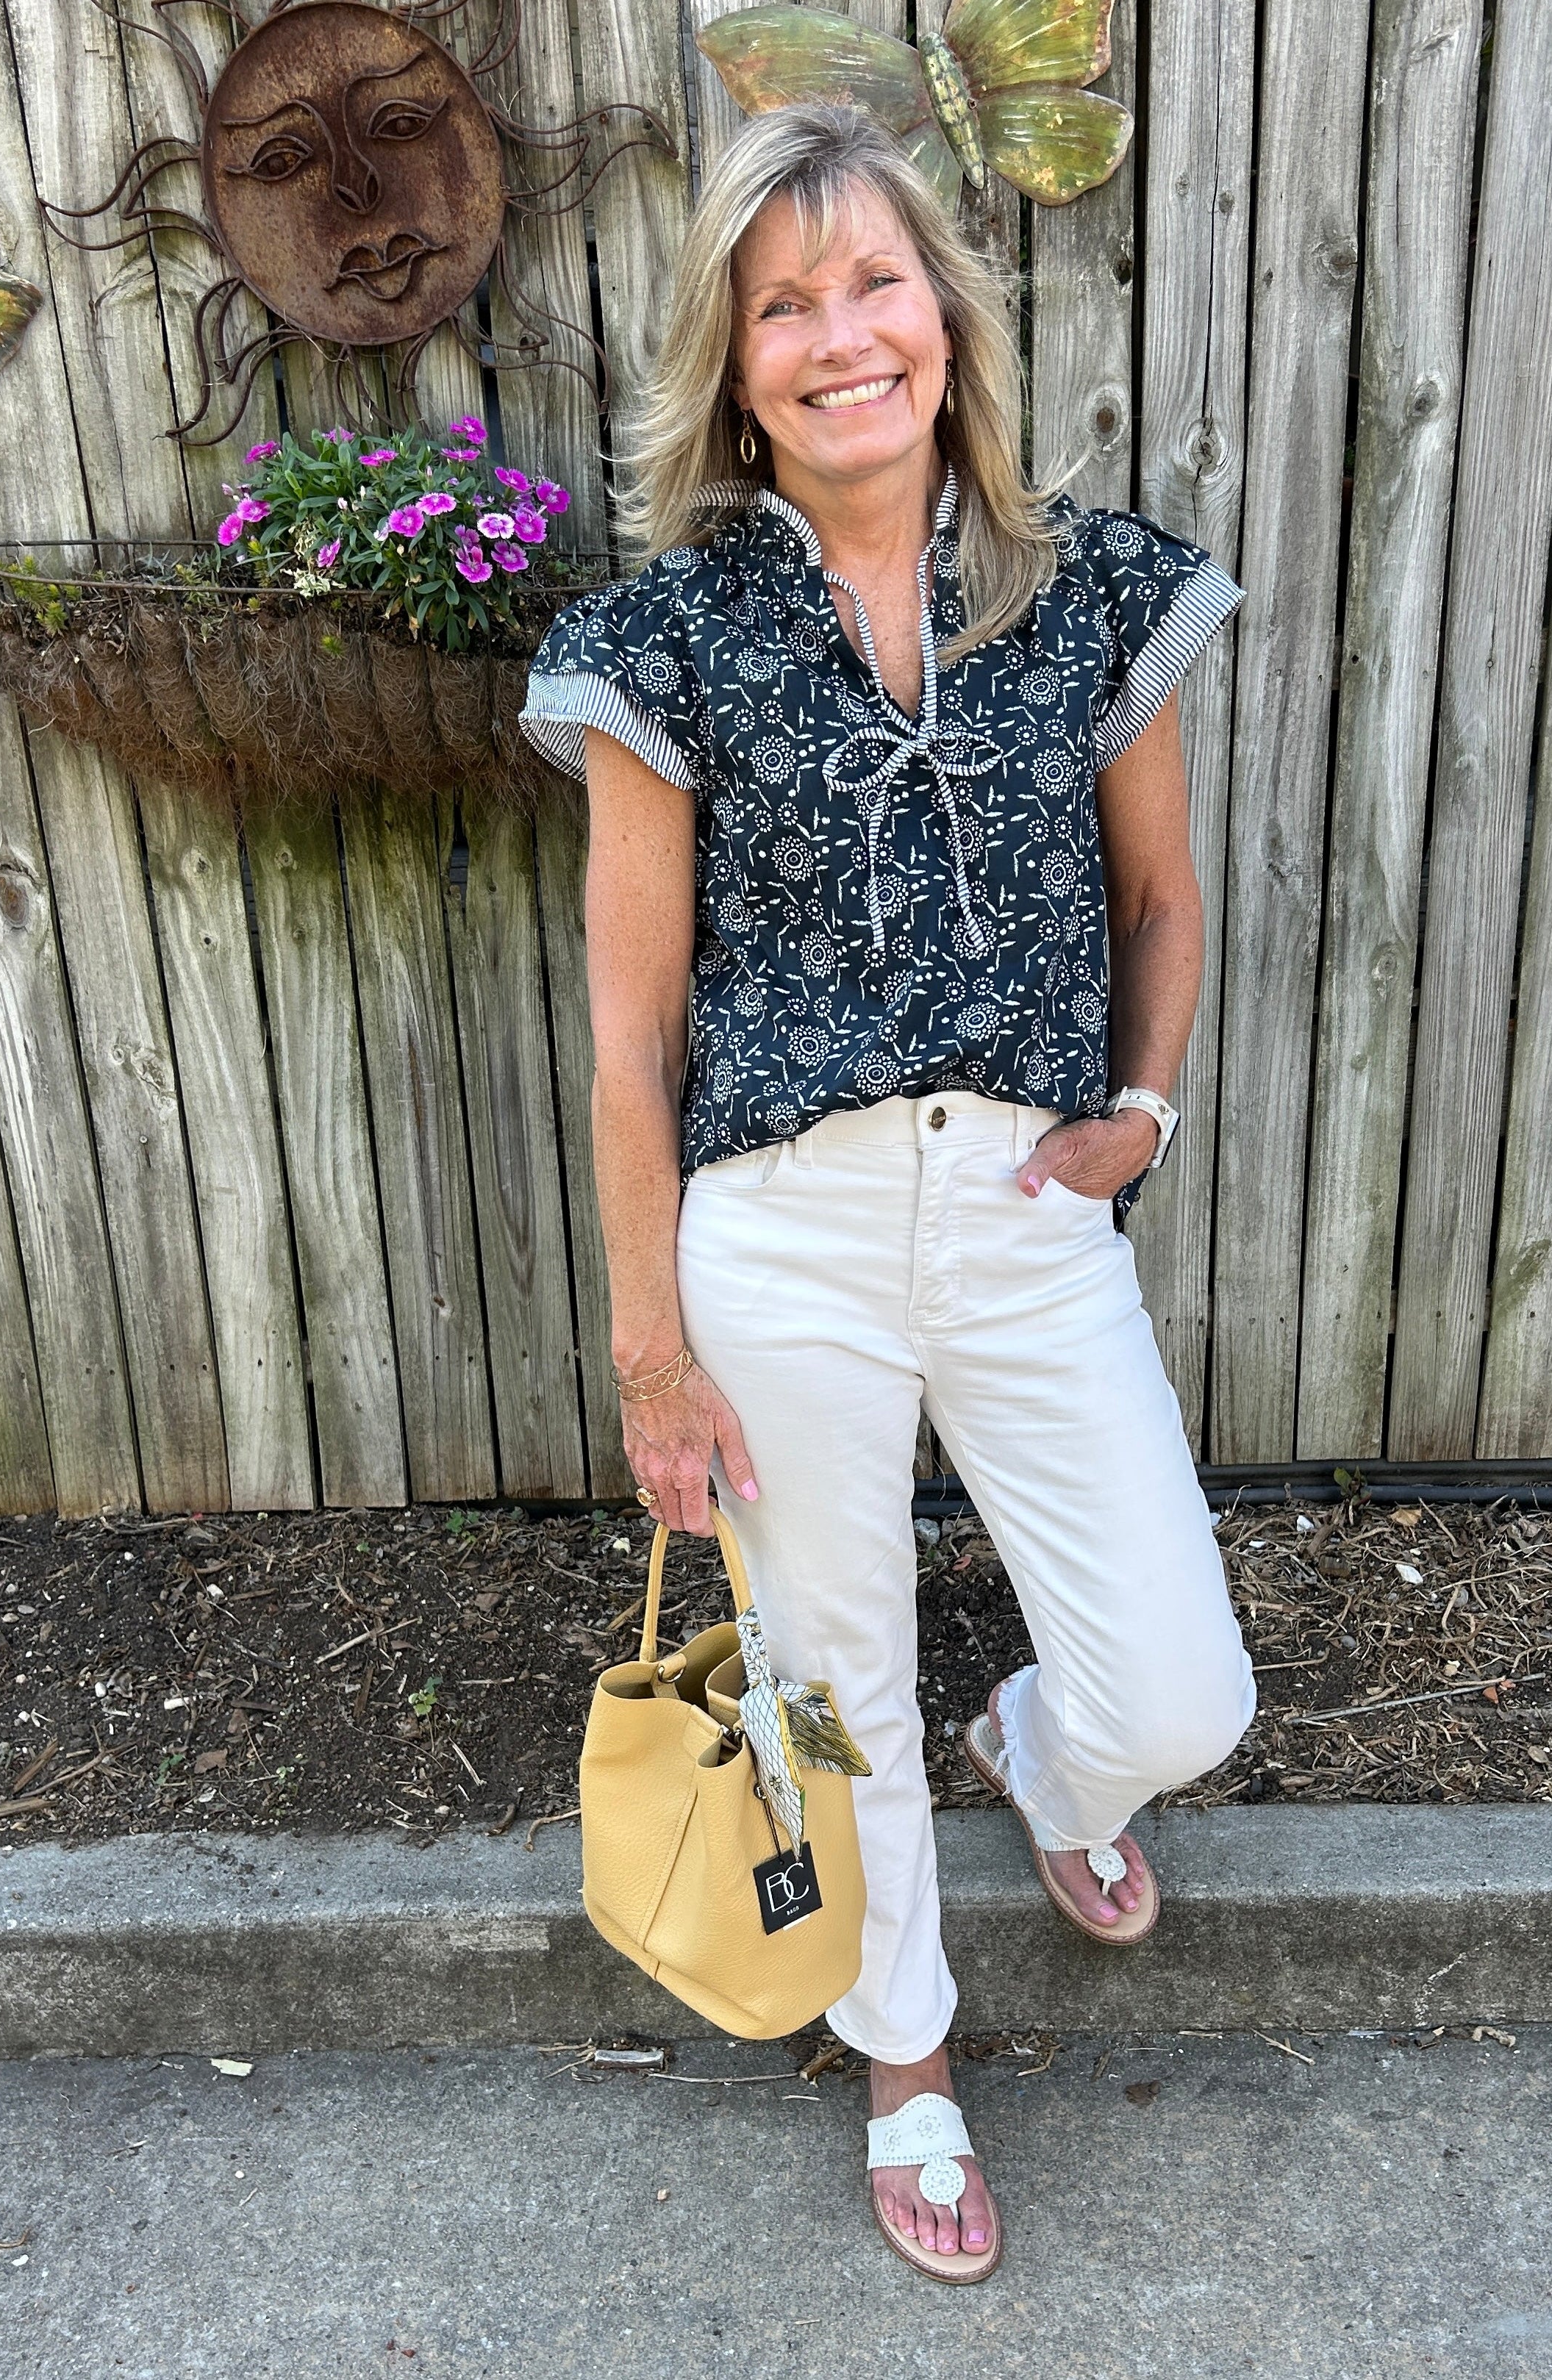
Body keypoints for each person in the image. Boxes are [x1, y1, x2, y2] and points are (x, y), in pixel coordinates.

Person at [521, 101, 1256, 2285]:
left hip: (1026, 1212)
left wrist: (1140, 1110)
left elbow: (1163, 894)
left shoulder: (1088, 585)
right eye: (784, 303)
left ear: (940, 310)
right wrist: (652, 1347)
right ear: (734, 365)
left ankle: (1047, 1757)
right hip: (781, 1237)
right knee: (826, 1668)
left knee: (1175, 1698)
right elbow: (629, 1041)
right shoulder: (662, 648)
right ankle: (904, 2054)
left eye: (872, 282)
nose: (840, 334)